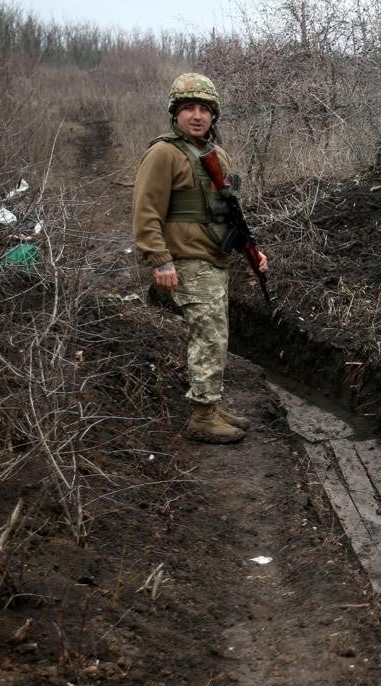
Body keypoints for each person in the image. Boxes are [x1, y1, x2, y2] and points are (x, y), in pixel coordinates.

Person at [133, 72, 268, 444]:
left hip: (214, 258)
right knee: (208, 336)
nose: (197, 115)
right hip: (189, 259)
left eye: (204, 109)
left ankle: (211, 404)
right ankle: (202, 416)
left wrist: (252, 252)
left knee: (216, 335)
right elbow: (145, 211)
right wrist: (159, 260)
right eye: (188, 108)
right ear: (174, 114)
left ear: (214, 115)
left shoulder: (215, 154)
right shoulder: (164, 153)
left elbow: (228, 213)